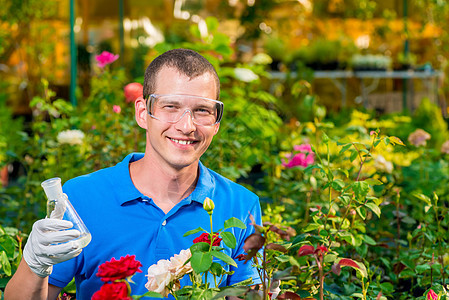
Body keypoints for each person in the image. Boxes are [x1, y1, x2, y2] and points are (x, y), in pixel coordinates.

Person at [5, 48, 262, 299]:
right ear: (142, 113)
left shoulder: (241, 206)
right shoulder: (81, 198)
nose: (186, 126)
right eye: (171, 107)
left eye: (202, 110)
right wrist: (34, 264)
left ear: (216, 121)